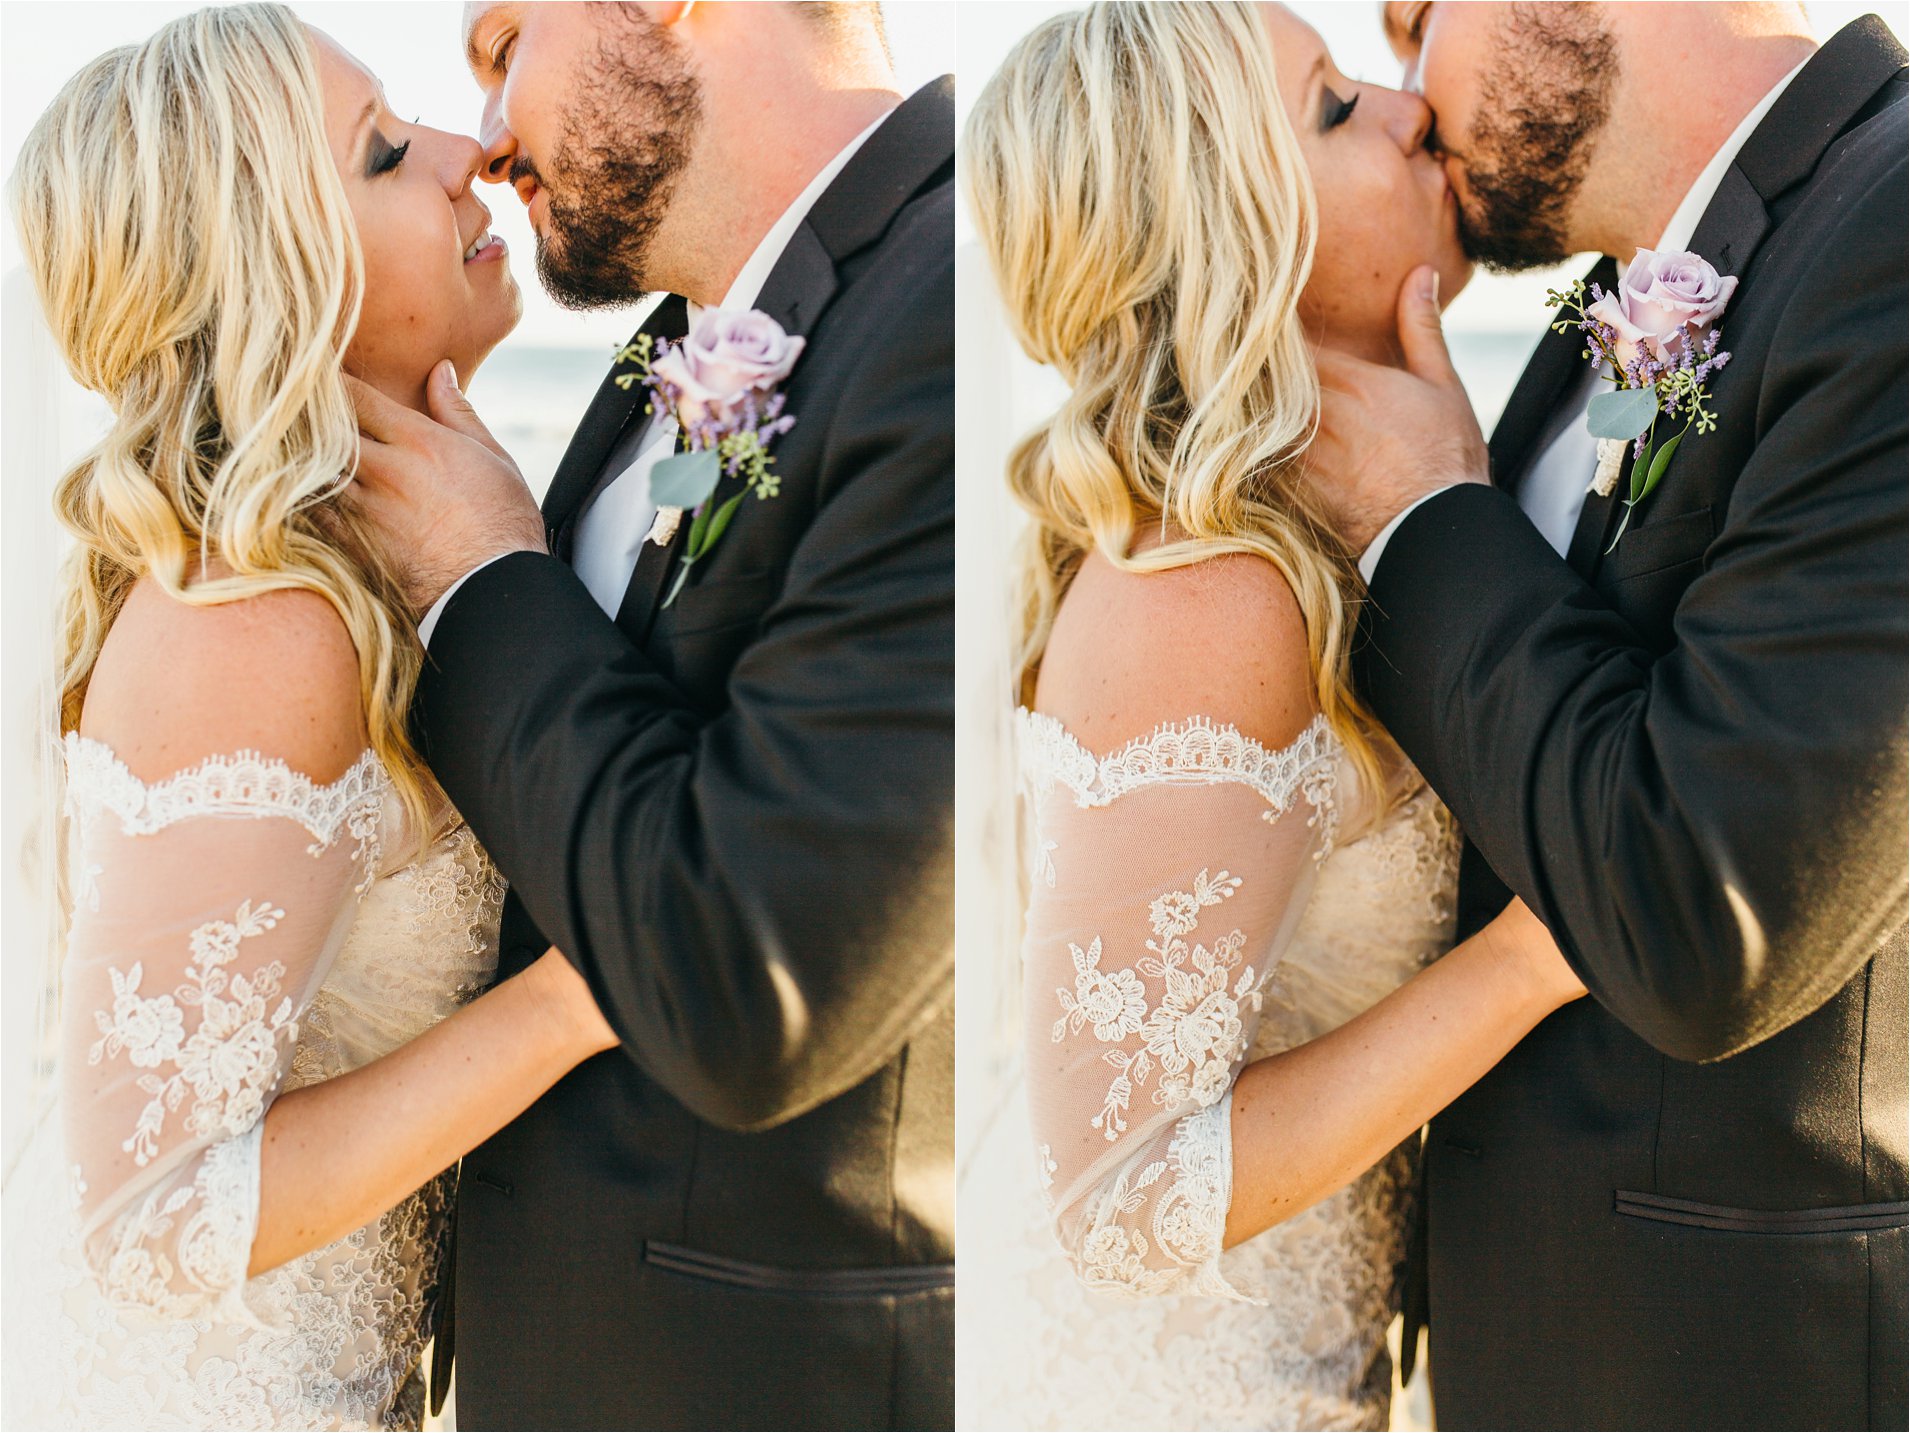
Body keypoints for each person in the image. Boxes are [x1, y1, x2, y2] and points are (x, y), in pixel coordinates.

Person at [957, 6, 1593, 1428]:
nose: (1405, 106)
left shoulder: (1305, 536)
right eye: (1327, 111)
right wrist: (1541, 952)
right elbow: (1115, 1198)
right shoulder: (1213, 591)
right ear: (1232, 237)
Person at [0, 7, 622, 1428]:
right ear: (280, 274)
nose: (471, 150)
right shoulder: (260, 619)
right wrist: (580, 997)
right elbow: (148, 1214)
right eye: (389, 153)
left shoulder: (360, 573)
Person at [341, 3, 956, 1427]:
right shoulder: (680, 343)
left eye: (502, 48)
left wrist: (486, 579)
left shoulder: (944, 311)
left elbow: (757, 984)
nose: (490, 138)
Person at [1301, 2, 1907, 1427]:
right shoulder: (1619, 303)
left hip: (1753, 1365)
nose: (1407, 89)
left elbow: (1709, 911)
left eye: (1411, 18)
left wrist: (1419, 515)